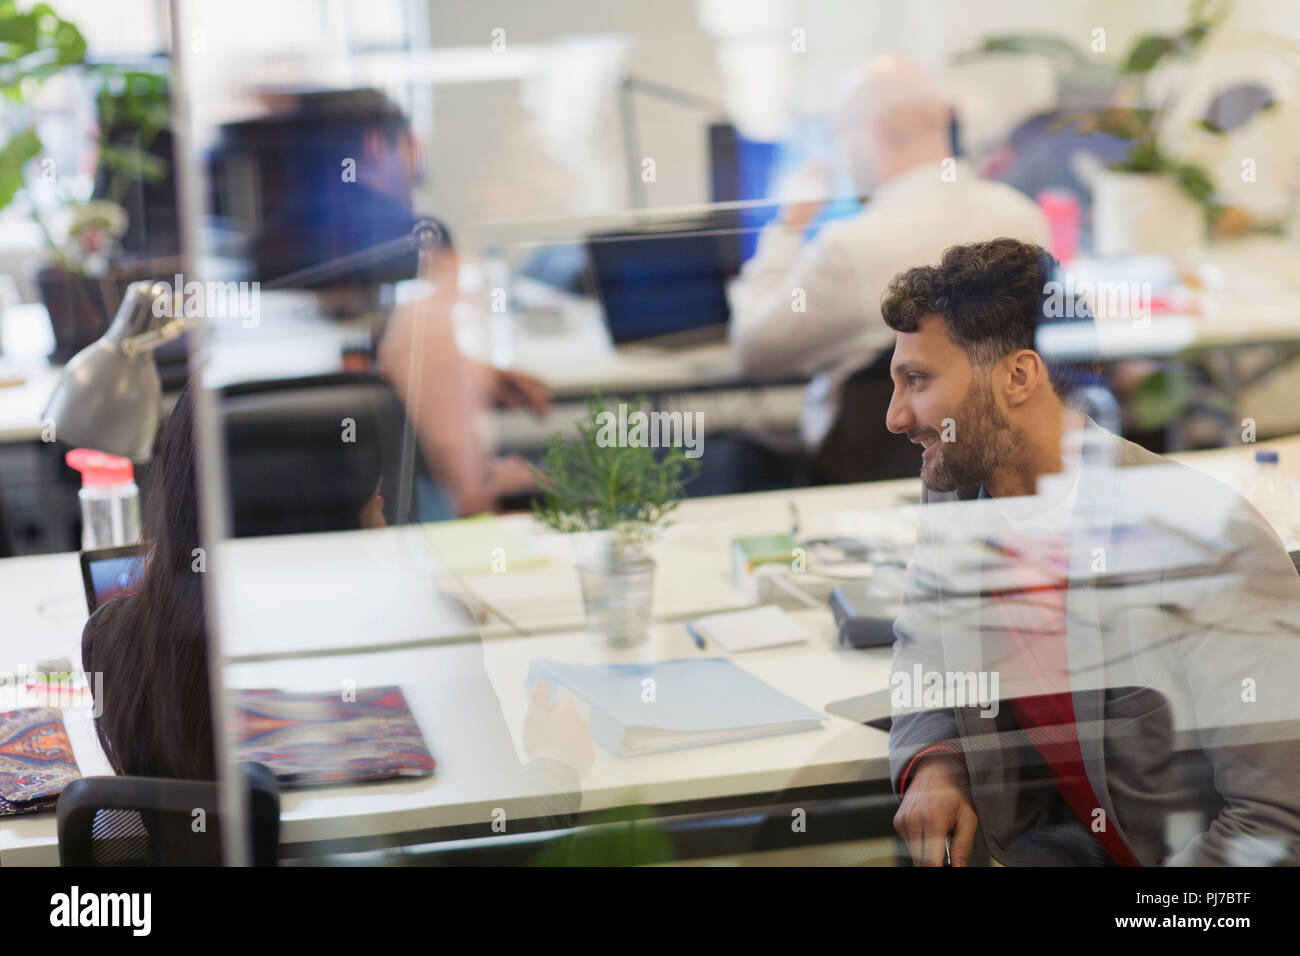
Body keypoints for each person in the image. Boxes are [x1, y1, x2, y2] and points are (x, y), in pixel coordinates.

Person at [881, 238, 1300, 866]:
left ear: (1018, 376)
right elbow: (925, 646)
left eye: (918, 380)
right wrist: (938, 764)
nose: (894, 415)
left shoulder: (1202, 541)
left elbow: (1276, 825)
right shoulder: (960, 499)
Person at [81, 383, 593, 807]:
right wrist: (557, 761)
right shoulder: (419, 633)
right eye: (369, 482)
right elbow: (508, 839)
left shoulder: (121, 642)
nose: (383, 494)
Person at [728, 54, 1049, 477]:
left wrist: (788, 227)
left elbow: (754, 352)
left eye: (839, 135)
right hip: (996, 469)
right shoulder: (1024, 218)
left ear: (871, 133)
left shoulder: (849, 246)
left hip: (865, 472)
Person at [241, 89, 545, 516]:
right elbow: (415, 355)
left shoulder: (265, 245)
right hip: (392, 496)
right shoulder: (421, 239)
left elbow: (348, 359)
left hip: (285, 502)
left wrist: (472, 371)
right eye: (411, 147)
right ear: (375, 144)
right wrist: (490, 482)